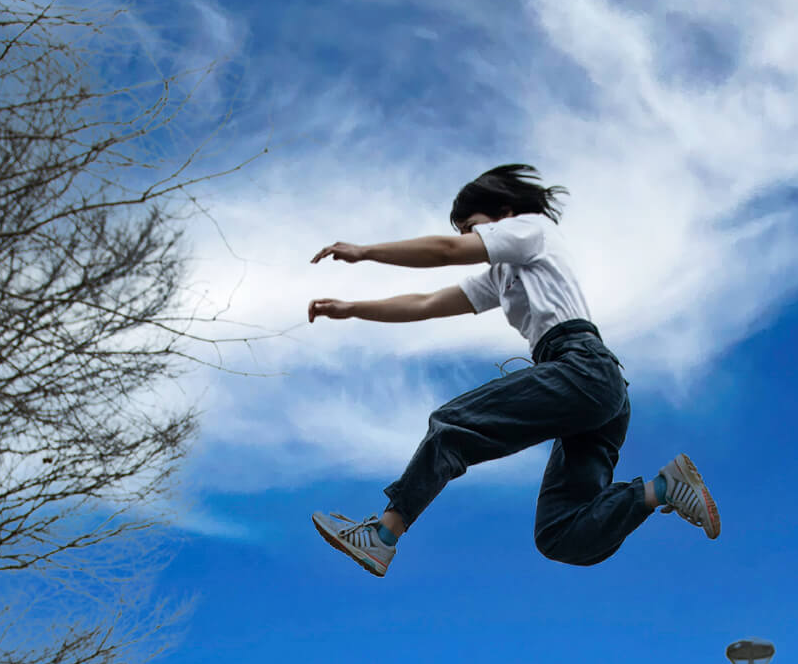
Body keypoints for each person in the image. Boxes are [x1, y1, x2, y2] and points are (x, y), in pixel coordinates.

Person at [305, 164, 721, 577]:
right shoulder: (502, 275)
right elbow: (425, 304)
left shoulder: (530, 229)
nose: (470, 239)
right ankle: (663, 488)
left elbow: (447, 252)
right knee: (559, 533)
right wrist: (352, 309)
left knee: (452, 425)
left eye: (472, 227)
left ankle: (383, 535)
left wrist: (365, 251)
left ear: (502, 211)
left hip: (582, 368)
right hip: (594, 391)